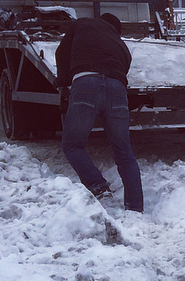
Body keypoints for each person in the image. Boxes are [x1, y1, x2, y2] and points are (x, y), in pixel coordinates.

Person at [55, 13, 144, 212]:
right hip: (117, 89)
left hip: (85, 83)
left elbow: (62, 53)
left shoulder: (82, 24)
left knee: (72, 145)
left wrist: (62, 81)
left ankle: (98, 185)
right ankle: (135, 208)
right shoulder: (122, 46)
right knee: (124, 151)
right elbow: (123, 70)